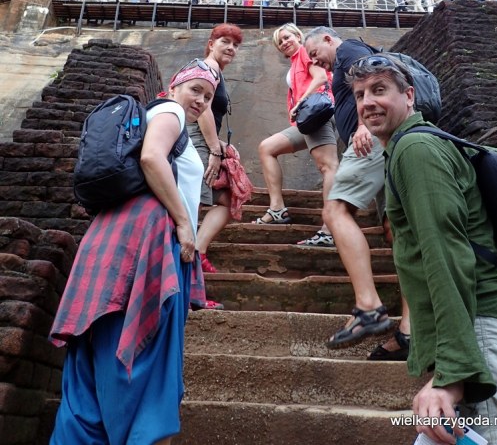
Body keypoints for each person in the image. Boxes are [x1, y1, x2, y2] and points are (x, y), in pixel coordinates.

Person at [349, 54, 497, 445]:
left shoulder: (415, 149)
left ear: (409, 95)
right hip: (484, 328)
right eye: (360, 94)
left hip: (485, 326)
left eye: (379, 90)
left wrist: (453, 373)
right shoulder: (423, 145)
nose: (367, 103)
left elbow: (446, 252)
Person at [49, 63, 217, 445]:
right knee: (148, 371)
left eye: (208, 97)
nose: (201, 100)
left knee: (90, 364)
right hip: (149, 240)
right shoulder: (170, 111)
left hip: (109, 237)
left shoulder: (151, 118)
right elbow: (152, 158)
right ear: (173, 86)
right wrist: (184, 223)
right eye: (195, 89)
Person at [304, 27, 410, 355]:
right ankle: (410, 330)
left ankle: (368, 306)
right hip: (386, 141)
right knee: (397, 227)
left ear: (327, 39)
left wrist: (364, 125)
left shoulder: (348, 49)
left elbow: (370, 76)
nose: (314, 60)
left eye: (314, 52)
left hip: (369, 141)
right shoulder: (347, 55)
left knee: (335, 210)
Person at [254, 24, 338, 248]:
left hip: (317, 114)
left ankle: (330, 229)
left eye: (287, 37)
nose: (284, 42)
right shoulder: (295, 62)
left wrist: (301, 102)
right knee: (267, 148)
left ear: (298, 36)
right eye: (279, 41)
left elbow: (321, 77)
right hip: (306, 119)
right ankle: (277, 209)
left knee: (328, 166)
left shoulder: (305, 52)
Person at [186, 25, 244, 281]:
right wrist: (214, 149)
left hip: (201, 138)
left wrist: (220, 143)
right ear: (211, 44)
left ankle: (197, 251)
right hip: (196, 141)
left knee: (226, 200)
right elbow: (203, 110)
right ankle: (187, 259)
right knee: (194, 201)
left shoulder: (213, 71)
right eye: (225, 41)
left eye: (235, 44)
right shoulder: (208, 68)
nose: (231, 48)